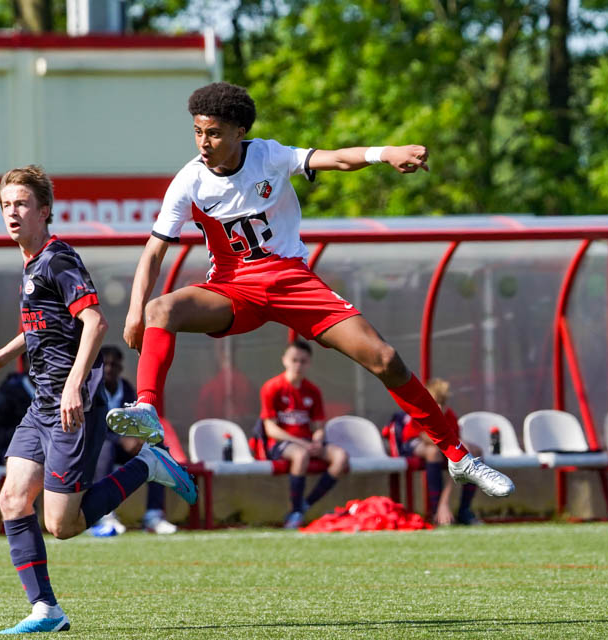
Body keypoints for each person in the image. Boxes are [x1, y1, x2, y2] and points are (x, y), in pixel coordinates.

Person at [106, 81, 514, 502]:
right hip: (232, 290)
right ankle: (147, 409)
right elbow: (154, 251)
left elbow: (335, 158)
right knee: (160, 310)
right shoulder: (189, 181)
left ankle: (459, 458)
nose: (203, 143)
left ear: (239, 131)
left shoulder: (268, 155)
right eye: (197, 131)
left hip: (291, 281)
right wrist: (135, 312)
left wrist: (386, 153)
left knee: (386, 359)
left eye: (214, 133)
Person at [0, 165, 196, 635]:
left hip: (71, 403)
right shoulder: (32, 263)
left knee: (63, 525)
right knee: (12, 499)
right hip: (42, 405)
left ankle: (147, 465)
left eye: (22, 204)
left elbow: (94, 322)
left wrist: (74, 385)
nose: (12, 212)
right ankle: (45, 609)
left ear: (44, 211)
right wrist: (2, 354)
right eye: (6, 204)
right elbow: (41, 327)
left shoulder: (57, 259)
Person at [260, 340, 349, 529]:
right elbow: (271, 429)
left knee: (340, 458)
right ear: (285, 360)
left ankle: (305, 504)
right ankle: (294, 511)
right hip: (282, 444)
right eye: (294, 360)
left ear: (309, 363)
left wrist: (316, 440)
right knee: (300, 456)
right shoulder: (272, 387)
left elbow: (318, 425)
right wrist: (300, 442)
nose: (298, 365)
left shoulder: (313, 391)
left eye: (303, 361)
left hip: (307, 443)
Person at [89, 345, 177, 536]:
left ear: (121, 368)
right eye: (106, 364)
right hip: (93, 449)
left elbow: (139, 419)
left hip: (121, 447)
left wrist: (139, 438)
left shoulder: (127, 389)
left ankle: (153, 516)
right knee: (106, 448)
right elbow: (91, 427)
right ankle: (104, 515)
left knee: (155, 449)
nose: (110, 369)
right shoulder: (90, 390)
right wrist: (121, 439)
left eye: (114, 365)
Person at [384, 378, 481, 525]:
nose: (440, 407)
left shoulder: (450, 415)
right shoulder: (422, 413)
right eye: (436, 402)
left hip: (441, 446)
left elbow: (455, 442)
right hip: (413, 443)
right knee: (434, 452)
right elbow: (426, 437)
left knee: (474, 453)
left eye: (443, 403)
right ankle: (436, 511)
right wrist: (456, 445)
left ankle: (464, 510)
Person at [0, 370, 35, 466]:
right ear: (26, 362)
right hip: (10, 450)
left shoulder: (56, 392)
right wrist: (22, 435)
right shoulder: (9, 391)